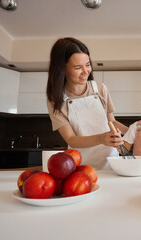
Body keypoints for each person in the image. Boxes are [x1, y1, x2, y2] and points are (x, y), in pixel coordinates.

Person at [46, 37, 128, 169]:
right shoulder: (56, 99)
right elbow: (71, 139)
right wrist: (101, 139)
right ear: (62, 69)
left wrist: (135, 131)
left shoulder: (100, 88)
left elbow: (111, 122)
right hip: (80, 164)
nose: (86, 72)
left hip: (111, 162)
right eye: (78, 67)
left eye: (88, 64)